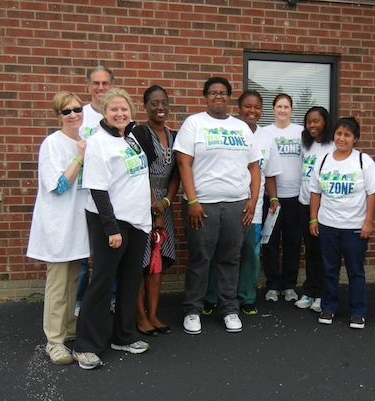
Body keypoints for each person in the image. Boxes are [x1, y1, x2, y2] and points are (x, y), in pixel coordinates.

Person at [173, 77, 261, 335]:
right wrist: (192, 200)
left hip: (237, 205)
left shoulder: (242, 128)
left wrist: (253, 200)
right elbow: (183, 164)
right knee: (201, 259)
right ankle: (192, 310)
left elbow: (254, 167)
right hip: (203, 206)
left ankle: (229, 309)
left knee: (229, 259)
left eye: (223, 93)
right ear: (206, 97)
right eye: (213, 93)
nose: (218, 97)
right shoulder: (194, 123)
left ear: (229, 97)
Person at [72, 88, 151, 369]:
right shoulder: (98, 143)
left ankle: (123, 336)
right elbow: (97, 189)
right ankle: (86, 346)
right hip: (111, 223)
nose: (120, 113)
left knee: (130, 281)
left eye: (124, 109)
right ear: (104, 112)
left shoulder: (130, 138)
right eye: (113, 109)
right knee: (103, 282)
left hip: (138, 221)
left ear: (131, 111)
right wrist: (111, 228)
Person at [202, 90, 282, 316]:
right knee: (219, 252)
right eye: (248, 106)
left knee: (250, 252)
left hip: (253, 208)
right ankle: (211, 296)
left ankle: (246, 297)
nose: (252, 111)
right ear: (238, 108)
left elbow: (271, 172)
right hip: (227, 203)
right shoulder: (229, 130)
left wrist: (273, 197)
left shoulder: (266, 138)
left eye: (257, 107)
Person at [26, 91, 89, 365]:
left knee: (73, 280)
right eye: (67, 111)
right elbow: (59, 186)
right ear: (58, 115)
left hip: (79, 224)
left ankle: (68, 326)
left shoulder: (84, 140)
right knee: (58, 284)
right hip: (58, 224)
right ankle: (54, 341)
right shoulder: (52, 143)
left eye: (77, 109)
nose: (73, 114)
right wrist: (79, 158)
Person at [309, 117, 375, 330]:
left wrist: (368, 222)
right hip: (328, 224)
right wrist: (313, 218)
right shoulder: (323, 161)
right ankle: (329, 307)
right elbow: (315, 192)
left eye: (347, 135)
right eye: (339, 134)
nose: (342, 138)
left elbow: (373, 193)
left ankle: (358, 311)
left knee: (355, 271)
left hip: (354, 227)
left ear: (355, 139)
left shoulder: (363, 161)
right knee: (329, 269)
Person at [132, 85, 180, 335]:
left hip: (165, 203)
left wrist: (167, 203)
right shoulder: (137, 134)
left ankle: (153, 315)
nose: (160, 108)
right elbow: (139, 171)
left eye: (164, 103)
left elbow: (177, 173)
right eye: (154, 103)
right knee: (140, 261)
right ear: (145, 106)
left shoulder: (175, 136)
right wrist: (155, 207)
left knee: (156, 261)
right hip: (142, 202)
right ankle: (140, 317)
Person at [75, 65, 116, 316]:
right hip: (81, 193)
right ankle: (79, 301)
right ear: (88, 86)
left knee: (108, 252)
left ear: (111, 85)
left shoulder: (118, 114)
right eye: (96, 83)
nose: (100, 88)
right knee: (82, 251)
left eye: (105, 83)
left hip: (110, 194)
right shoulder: (80, 115)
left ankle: (110, 297)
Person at [262, 93, 304, 303]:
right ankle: (272, 286)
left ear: (292, 110)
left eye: (286, 107)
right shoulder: (265, 132)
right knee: (269, 243)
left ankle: (289, 286)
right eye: (279, 106)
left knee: (292, 243)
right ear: (273, 109)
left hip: (295, 196)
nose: (282, 110)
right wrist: (271, 196)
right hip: (272, 197)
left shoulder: (300, 132)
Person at [294, 107, 335, 313]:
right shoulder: (306, 144)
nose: (312, 125)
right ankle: (309, 292)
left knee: (323, 252)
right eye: (309, 121)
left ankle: (322, 294)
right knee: (310, 251)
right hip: (305, 203)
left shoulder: (333, 145)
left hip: (324, 207)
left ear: (325, 122)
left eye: (316, 121)